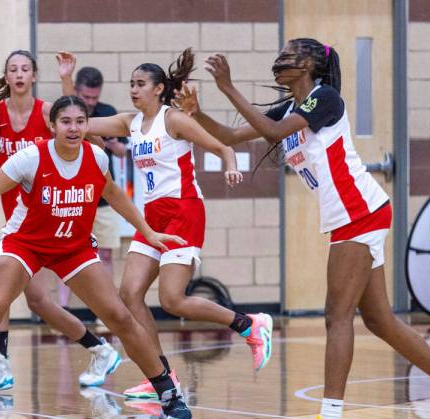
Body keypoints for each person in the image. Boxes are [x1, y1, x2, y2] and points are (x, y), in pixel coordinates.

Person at [175, 38, 430, 419]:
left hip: (359, 212)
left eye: (292, 53)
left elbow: (270, 131)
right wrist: (198, 115)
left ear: (311, 65)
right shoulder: (290, 108)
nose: (282, 58)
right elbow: (233, 136)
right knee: (378, 320)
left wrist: (229, 87)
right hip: (353, 216)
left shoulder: (325, 98)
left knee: (336, 317)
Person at [0, 96, 194, 419]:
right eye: (66, 121)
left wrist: (147, 231)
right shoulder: (31, 158)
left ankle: (168, 392)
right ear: (52, 126)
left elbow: (114, 195)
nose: (74, 128)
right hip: (26, 244)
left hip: (73, 248)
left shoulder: (96, 157)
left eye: (80, 121)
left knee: (119, 315)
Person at [58, 49, 274, 400]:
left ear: (158, 89)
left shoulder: (172, 120)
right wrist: (68, 79)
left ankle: (249, 324)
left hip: (184, 211)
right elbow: (80, 123)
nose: (133, 89)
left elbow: (222, 146)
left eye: (141, 84)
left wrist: (232, 163)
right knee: (129, 294)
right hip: (154, 216)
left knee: (172, 300)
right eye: (131, 83)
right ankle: (162, 374)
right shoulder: (129, 123)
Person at [0, 49, 120, 393]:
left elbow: (81, 130)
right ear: (6, 77)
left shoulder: (49, 113)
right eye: (12, 70)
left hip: (49, 221)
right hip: (19, 223)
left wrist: (66, 78)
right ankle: (100, 349)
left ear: (33, 76)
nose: (19, 74)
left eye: (25, 69)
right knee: (38, 301)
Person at [57, 66, 127, 319]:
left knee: (105, 254)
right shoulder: (65, 115)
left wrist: (107, 141)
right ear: (76, 91)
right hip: (72, 197)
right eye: (85, 98)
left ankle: (105, 311)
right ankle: (63, 311)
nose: (90, 103)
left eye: (94, 99)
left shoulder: (107, 115)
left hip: (102, 197)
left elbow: (122, 152)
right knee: (66, 254)